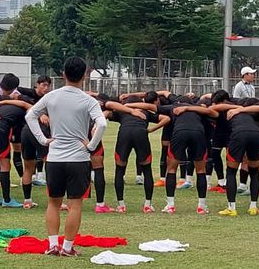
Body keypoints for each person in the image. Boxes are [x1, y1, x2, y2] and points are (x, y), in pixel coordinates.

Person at [25, 57, 108, 257]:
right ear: (85, 75)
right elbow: (103, 124)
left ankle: (53, 245)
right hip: (78, 158)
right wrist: (91, 145)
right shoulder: (88, 100)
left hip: (54, 158)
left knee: (54, 202)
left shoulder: (51, 96)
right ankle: (68, 248)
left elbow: (30, 115)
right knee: (75, 203)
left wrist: (44, 140)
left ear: (63, 74)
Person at [105, 93, 170, 213]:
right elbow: (166, 118)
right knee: (146, 169)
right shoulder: (145, 112)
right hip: (141, 133)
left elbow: (108, 112)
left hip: (124, 134)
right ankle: (147, 205)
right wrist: (151, 130)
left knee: (120, 170)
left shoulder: (122, 112)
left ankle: (121, 205)